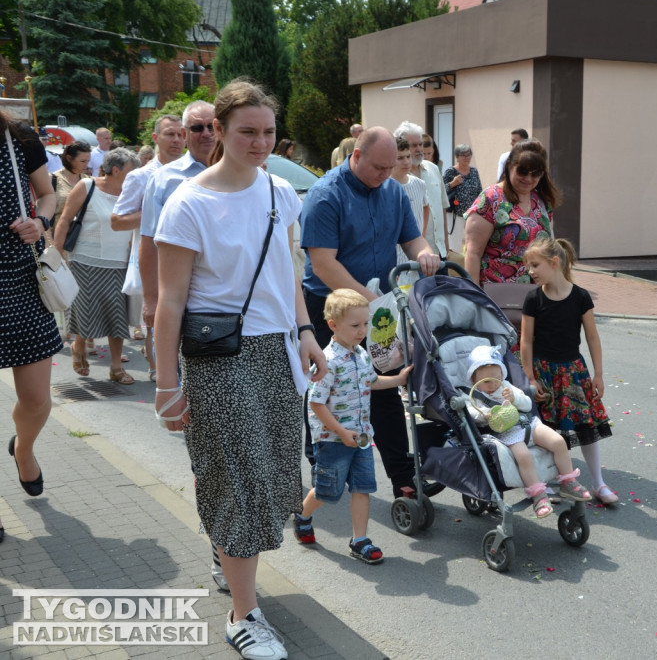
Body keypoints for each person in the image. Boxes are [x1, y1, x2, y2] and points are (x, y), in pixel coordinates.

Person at [153, 78, 327, 660]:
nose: (259, 142)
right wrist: (165, 385)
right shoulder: (188, 203)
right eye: (247, 131)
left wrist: (305, 331)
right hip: (216, 357)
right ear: (219, 132)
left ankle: (225, 544)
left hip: (277, 352)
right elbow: (169, 303)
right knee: (244, 476)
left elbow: (289, 268)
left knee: (272, 471)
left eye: (268, 132)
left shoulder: (283, 193)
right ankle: (243, 615)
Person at [301, 126, 441, 499]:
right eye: (379, 168)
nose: (385, 175)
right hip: (329, 307)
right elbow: (323, 264)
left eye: (390, 167)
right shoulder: (325, 195)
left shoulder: (393, 191)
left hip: (377, 308)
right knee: (329, 388)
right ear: (357, 156)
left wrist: (424, 251)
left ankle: (402, 477)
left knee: (381, 385)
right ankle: (323, 466)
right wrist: (368, 301)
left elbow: (411, 238)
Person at [293, 289, 412, 560]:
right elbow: (316, 403)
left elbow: (372, 381)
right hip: (332, 439)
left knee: (363, 487)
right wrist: (340, 431)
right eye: (355, 325)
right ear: (333, 325)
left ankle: (360, 540)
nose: (363, 331)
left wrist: (398, 379)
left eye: (366, 324)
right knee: (326, 491)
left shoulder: (360, 354)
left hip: (361, 437)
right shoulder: (327, 362)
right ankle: (302, 515)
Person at [520, 237, 615, 504]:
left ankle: (598, 482)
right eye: (528, 266)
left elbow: (593, 338)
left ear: (555, 262)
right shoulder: (532, 299)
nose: (530, 271)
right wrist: (530, 377)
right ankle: (554, 482)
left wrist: (598, 374)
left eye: (535, 265)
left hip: (574, 371)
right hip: (544, 373)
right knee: (549, 428)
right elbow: (525, 341)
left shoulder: (581, 297)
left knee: (586, 426)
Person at [2, 112, 61, 534]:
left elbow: (47, 194)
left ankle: (24, 449)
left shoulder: (19, 138)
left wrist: (39, 222)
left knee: (38, 399)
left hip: (21, 279)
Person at [466, 344, 592, 517]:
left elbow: (527, 404)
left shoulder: (506, 387)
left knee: (558, 441)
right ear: (474, 380)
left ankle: (568, 481)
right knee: (523, 456)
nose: (493, 385)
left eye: (497, 379)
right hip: (508, 433)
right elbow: (470, 413)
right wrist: (485, 414)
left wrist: (514, 398)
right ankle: (538, 494)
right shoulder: (473, 396)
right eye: (486, 381)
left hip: (528, 424)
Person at [54, 147, 139, 384]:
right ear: (115, 170)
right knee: (84, 310)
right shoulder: (87, 186)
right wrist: (58, 254)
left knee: (116, 314)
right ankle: (78, 344)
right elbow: (64, 220)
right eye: (132, 172)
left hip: (119, 262)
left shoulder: (133, 194)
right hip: (84, 260)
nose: (136, 177)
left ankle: (115, 368)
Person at [111, 114, 187, 380]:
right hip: (154, 263)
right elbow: (117, 220)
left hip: (190, 265)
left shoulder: (198, 173)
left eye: (180, 134)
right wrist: (158, 213)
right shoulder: (141, 177)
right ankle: (162, 374)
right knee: (160, 324)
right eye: (170, 134)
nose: (176, 139)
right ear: (155, 138)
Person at [138, 100, 215, 330]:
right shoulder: (163, 179)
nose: (206, 133)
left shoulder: (241, 173)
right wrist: (151, 299)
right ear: (184, 133)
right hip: (179, 293)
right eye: (197, 128)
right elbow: (149, 242)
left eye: (212, 126)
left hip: (226, 294)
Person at [465, 139, 559, 285]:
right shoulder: (491, 198)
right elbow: (473, 254)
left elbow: (549, 250)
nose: (528, 178)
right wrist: (474, 296)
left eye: (536, 173)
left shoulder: (542, 202)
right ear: (509, 166)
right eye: (522, 171)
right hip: (496, 296)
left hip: (536, 295)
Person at [394, 121, 449, 258]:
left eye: (420, 144)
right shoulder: (397, 178)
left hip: (438, 251)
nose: (419, 149)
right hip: (413, 254)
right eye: (414, 145)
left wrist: (446, 245)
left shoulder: (433, 169)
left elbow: (441, 207)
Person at [391, 136, 429, 267]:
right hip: (395, 257)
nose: (406, 162)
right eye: (400, 158)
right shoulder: (384, 187)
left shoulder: (419, 184)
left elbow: (425, 206)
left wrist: (421, 234)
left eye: (408, 156)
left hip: (416, 254)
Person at [443, 143, 482, 252]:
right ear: (457, 157)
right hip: (455, 214)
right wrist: (452, 183)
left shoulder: (474, 172)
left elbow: (479, 192)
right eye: (463, 155)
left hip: (471, 214)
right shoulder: (450, 172)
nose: (467, 158)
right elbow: (441, 191)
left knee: (472, 244)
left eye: (469, 155)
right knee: (455, 246)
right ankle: (455, 268)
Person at [52, 140, 92, 225]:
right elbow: (44, 216)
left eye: (88, 161)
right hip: (57, 234)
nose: (86, 165)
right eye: (83, 161)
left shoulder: (90, 181)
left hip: (83, 234)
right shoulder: (53, 179)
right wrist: (49, 238)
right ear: (69, 158)